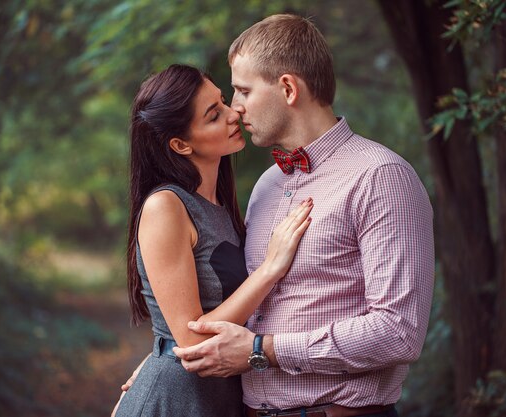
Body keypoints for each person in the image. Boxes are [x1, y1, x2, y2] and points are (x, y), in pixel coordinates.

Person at [172, 14, 435, 417]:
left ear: (288, 88)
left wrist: (263, 351)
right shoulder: (265, 186)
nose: (235, 108)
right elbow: (232, 303)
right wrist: (162, 361)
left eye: (243, 90)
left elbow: (398, 333)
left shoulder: (380, 178)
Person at [112, 64, 314, 417]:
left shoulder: (222, 206)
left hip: (220, 398)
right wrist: (270, 269)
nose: (233, 112)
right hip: (177, 400)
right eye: (213, 115)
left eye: (223, 101)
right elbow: (191, 340)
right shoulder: (166, 207)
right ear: (180, 144)